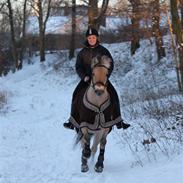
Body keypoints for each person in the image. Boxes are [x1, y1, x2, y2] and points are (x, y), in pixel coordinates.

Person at [63, 27, 130, 130]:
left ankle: (118, 120)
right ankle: (72, 121)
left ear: (96, 38)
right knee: (75, 94)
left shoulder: (103, 51)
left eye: (93, 37)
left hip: (101, 80)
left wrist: (105, 77)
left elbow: (110, 65)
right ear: (87, 39)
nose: (91, 40)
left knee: (114, 94)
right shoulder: (82, 52)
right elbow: (78, 67)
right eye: (89, 38)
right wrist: (84, 76)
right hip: (87, 80)